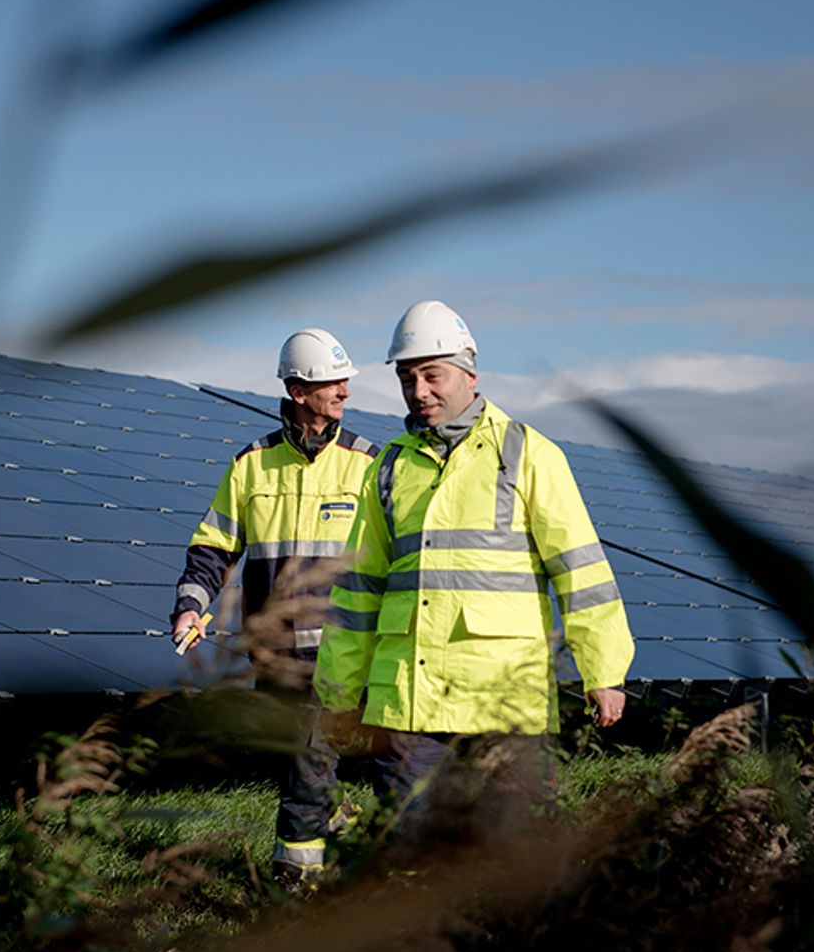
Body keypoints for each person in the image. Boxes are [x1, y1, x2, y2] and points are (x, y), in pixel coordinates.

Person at [314, 300, 634, 824]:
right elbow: (357, 592)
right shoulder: (388, 467)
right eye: (407, 378)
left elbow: (581, 572)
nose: (419, 391)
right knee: (409, 855)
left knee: (515, 860)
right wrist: (337, 693)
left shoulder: (529, 453)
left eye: (431, 375)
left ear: (469, 373)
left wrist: (604, 670)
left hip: (504, 703)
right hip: (406, 705)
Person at [171, 328, 379, 888]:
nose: (343, 392)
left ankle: (296, 882)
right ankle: (340, 818)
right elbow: (212, 548)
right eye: (331, 382)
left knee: (304, 761)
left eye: (344, 382)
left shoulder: (368, 464)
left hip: (340, 653)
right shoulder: (250, 465)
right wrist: (190, 608)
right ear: (296, 390)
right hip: (273, 656)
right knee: (296, 756)